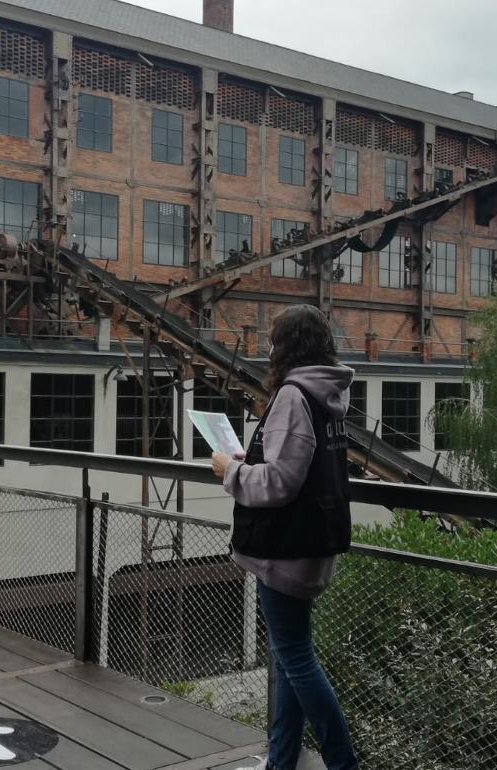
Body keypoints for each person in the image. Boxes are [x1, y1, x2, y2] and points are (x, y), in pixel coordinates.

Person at [212, 305, 359, 770]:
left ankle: (343, 762)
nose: (268, 348)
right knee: (288, 657)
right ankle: (281, 761)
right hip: (314, 544)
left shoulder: (294, 396)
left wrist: (230, 469)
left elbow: (279, 482)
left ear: (286, 346)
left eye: (273, 340)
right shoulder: (328, 394)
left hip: (285, 553)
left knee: (296, 659)